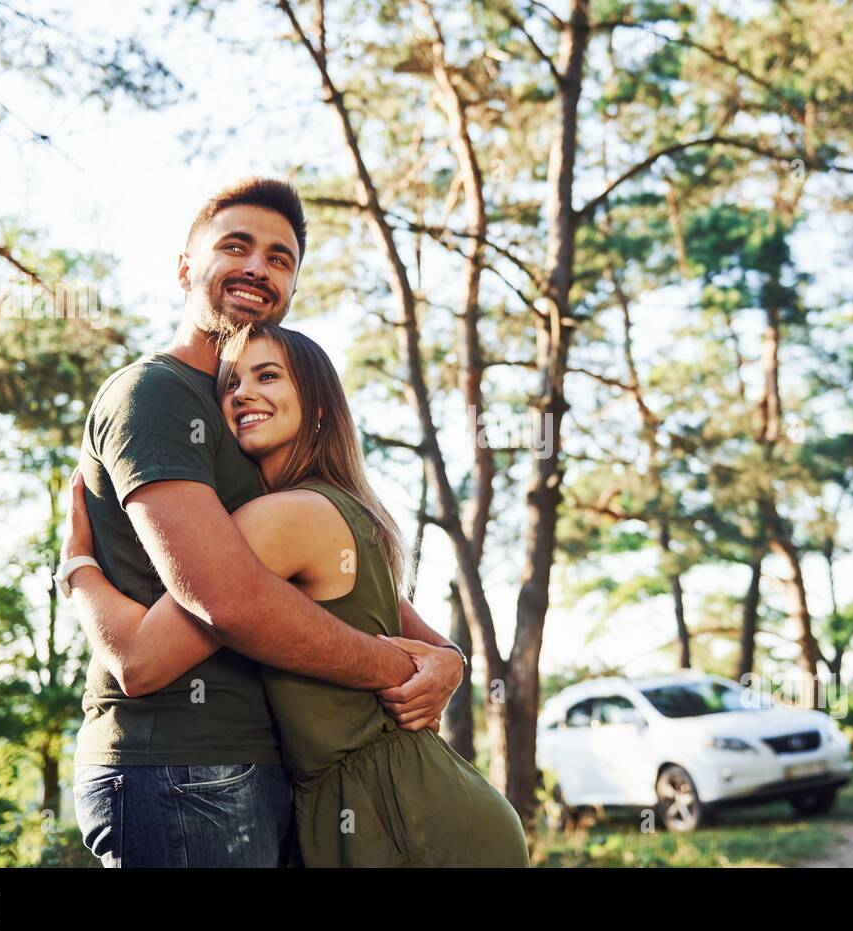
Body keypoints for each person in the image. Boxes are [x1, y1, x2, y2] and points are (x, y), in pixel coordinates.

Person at [62, 177, 465, 867]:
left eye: (280, 258)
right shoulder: (155, 393)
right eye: (236, 246)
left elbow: (334, 580)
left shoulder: (247, 418)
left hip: (261, 768)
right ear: (186, 267)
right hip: (183, 766)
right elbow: (227, 596)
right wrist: (391, 665)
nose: (258, 266)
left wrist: (447, 660)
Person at [63, 322, 529, 866]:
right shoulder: (344, 510)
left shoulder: (285, 518)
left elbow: (140, 660)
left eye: (268, 376)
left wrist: (76, 567)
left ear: (321, 407)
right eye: (232, 383)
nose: (243, 394)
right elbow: (434, 650)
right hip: (423, 802)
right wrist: (450, 661)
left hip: (406, 820)